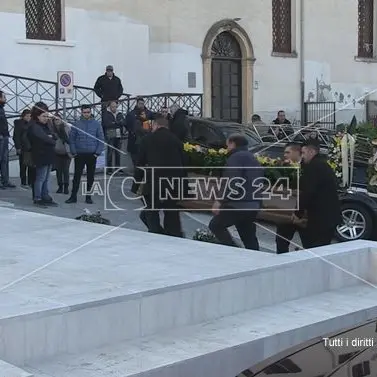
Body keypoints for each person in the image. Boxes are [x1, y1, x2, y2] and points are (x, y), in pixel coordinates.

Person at [131, 116, 186, 237]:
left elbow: (140, 164)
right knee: (171, 212)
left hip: (153, 183)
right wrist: (185, 188)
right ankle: (174, 236)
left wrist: (135, 186)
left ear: (155, 125)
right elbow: (184, 163)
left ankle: (156, 235)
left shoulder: (147, 139)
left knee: (151, 212)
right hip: (173, 183)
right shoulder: (176, 140)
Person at [209, 134, 262, 250]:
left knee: (216, 225)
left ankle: (232, 250)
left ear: (233, 144)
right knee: (248, 235)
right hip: (253, 204)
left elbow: (233, 182)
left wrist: (220, 201)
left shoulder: (235, 158)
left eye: (227, 144)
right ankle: (257, 259)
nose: (226, 147)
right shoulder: (253, 158)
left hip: (238, 203)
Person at [292, 139, 342, 248]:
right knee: (320, 248)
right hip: (329, 217)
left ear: (311, 152)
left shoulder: (314, 167)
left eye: (303, 153)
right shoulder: (322, 164)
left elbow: (307, 192)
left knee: (314, 249)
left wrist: (297, 213)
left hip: (321, 219)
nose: (302, 156)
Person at [66, 104, 104, 204]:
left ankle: (88, 196)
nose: (86, 114)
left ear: (90, 112)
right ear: (81, 112)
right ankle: (73, 196)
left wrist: (97, 153)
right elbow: (72, 139)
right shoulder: (76, 124)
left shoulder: (96, 124)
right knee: (77, 176)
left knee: (90, 177)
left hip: (92, 154)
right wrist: (74, 152)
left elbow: (101, 139)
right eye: (84, 112)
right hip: (79, 154)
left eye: (88, 112)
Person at [275, 143, 306, 253]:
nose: (285, 155)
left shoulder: (306, 166)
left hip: (302, 212)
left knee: (308, 242)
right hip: (287, 210)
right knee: (281, 240)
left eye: (288, 152)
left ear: (297, 152)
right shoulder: (284, 166)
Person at [28, 102, 57, 207]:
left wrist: (51, 137)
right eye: (43, 116)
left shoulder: (46, 125)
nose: (46, 118)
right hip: (40, 155)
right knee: (40, 178)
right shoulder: (34, 126)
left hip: (49, 154)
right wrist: (51, 138)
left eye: (47, 116)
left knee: (47, 178)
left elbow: (54, 136)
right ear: (37, 116)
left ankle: (46, 196)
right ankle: (38, 198)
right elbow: (46, 139)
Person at [126, 97, 154, 166]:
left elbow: (152, 124)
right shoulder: (131, 114)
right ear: (137, 104)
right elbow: (127, 125)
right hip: (134, 140)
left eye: (142, 104)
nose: (141, 105)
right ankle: (137, 173)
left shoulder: (149, 113)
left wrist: (145, 119)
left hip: (145, 139)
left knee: (145, 159)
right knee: (135, 159)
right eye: (140, 104)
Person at [102, 100, 126, 174]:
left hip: (119, 134)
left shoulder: (119, 114)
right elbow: (107, 124)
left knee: (118, 152)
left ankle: (117, 168)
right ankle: (109, 169)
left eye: (115, 107)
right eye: (113, 107)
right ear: (109, 106)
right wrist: (117, 123)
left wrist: (116, 123)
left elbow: (123, 122)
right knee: (110, 152)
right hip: (110, 134)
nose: (114, 108)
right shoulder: (106, 114)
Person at [0, 91, 16, 189]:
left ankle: (5, 180)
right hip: (1, 137)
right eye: (4, 97)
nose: (6, 99)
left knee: (5, 160)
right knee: (1, 159)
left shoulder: (1, 109)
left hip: (4, 136)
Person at [52, 114, 71, 194]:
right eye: (55, 120)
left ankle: (66, 187)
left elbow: (70, 139)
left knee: (66, 170)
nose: (57, 121)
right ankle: (60, 186)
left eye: (58, 119)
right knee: (58, 171)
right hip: (57, 152)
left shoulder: (66, 127)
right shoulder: (52, 130)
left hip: (67, 152)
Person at [13, 109, 32, 188]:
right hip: (23, 148)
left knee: (31, 166)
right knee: (23, 166)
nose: (29, 118)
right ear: (23, 116)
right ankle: (23, 182)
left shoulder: (31, 124)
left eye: (30, 116)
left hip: (30, 148)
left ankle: (30, 182)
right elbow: (16, 136)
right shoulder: (19, 124)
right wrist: (18, 147)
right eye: (27, 116)